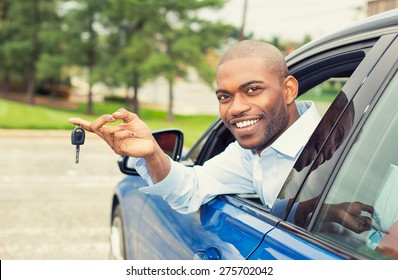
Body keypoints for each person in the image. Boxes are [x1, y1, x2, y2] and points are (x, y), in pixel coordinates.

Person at [68, 40, 320, 213]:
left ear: (288, 90)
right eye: (224, 97)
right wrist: (153, 153)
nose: (234, 108)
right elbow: (192, 189)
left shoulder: (343, 146)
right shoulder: (251, 154)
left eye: (252, 90)